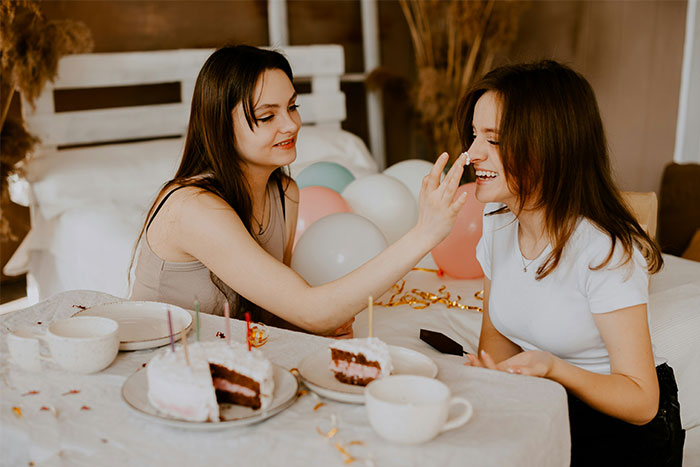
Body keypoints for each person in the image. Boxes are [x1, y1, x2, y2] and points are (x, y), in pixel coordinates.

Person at [129, 44, 468, 336]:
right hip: (158, 362)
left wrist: (312, 327)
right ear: (220, 126)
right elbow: (310, 309)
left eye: (292, 107)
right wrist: (424, 234)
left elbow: (271, 311)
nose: (290, 125)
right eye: (267, 116)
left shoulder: (284, 193)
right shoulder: (193, 208)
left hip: (223, 360)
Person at [460, 61, 684, 466]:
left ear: (547, 147)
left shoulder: (605, 250)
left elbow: (641, 400)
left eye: (492, 140)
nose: (471, 153)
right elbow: (495, 341)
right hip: (547, 402)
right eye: (475, 135)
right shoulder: (496, 225)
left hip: (621, 425)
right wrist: (496, 379)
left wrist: (553, 369)